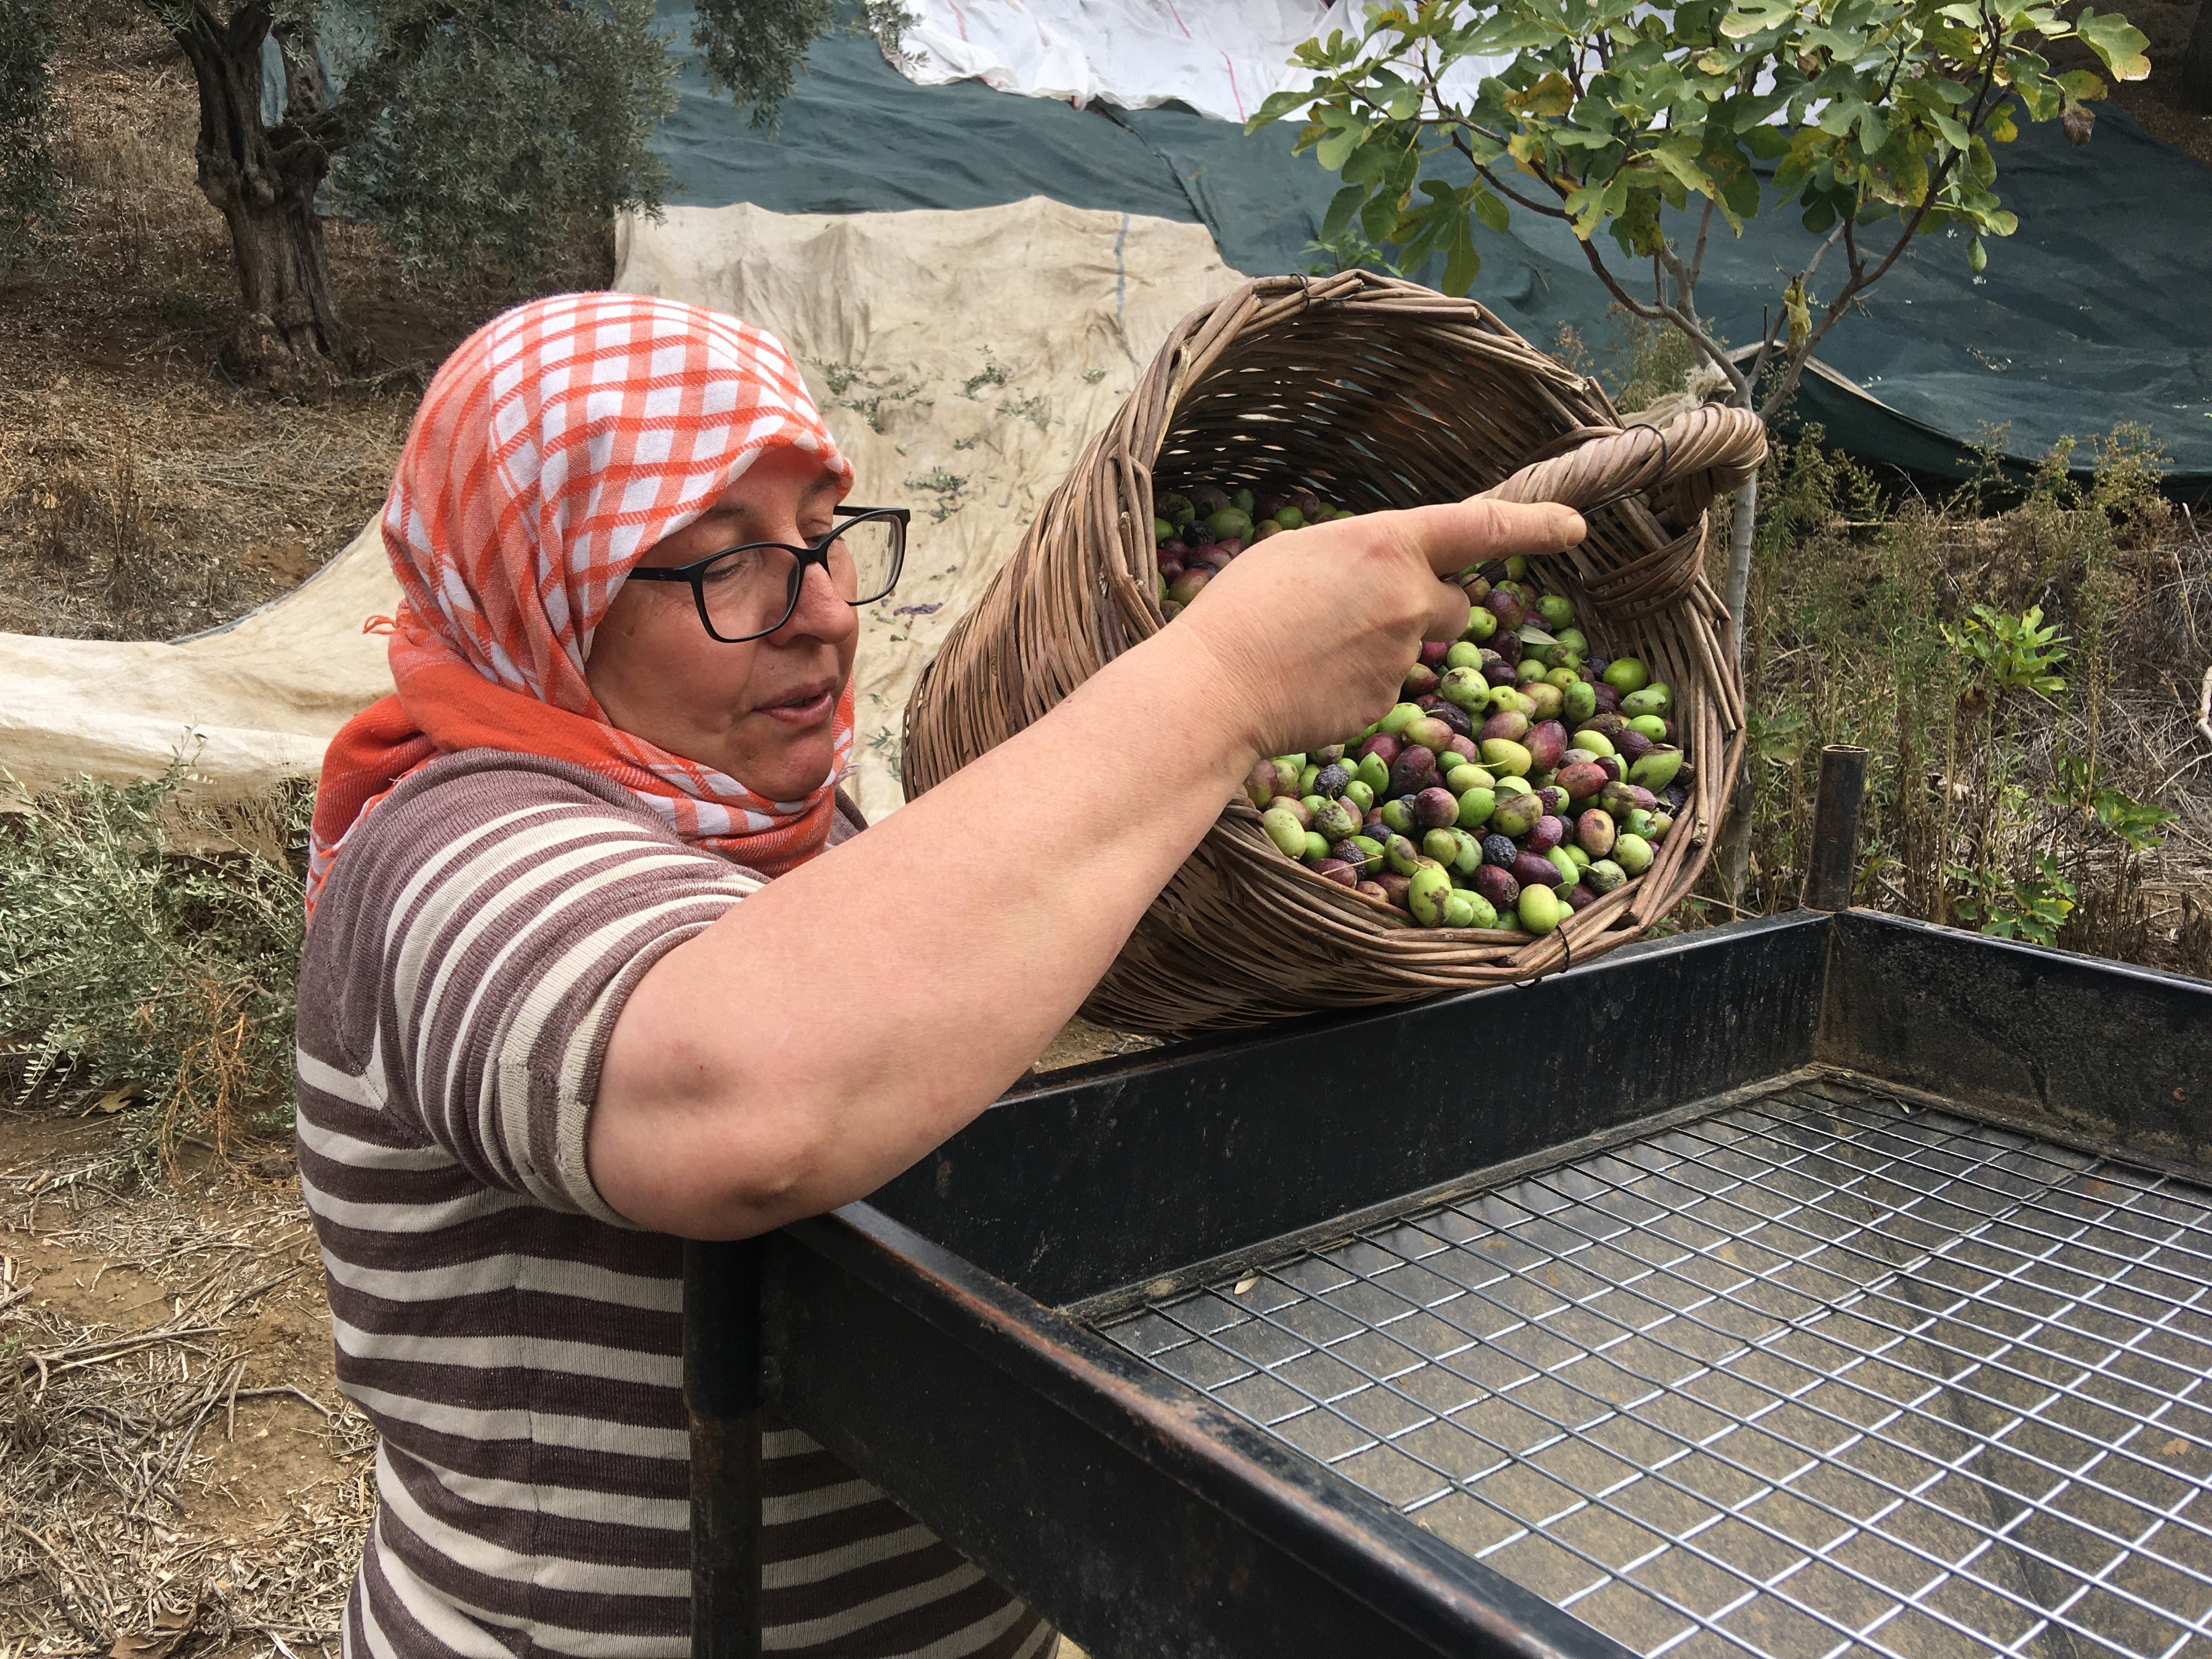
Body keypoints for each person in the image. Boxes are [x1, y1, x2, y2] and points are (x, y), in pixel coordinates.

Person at [294, 290, 1584, 1659]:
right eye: (721, 561)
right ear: (541, 587)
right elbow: (749, 1101)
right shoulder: (441, 853)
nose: (823, 615)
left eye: (819, 536)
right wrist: (1227, 680)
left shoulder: (798, 835)